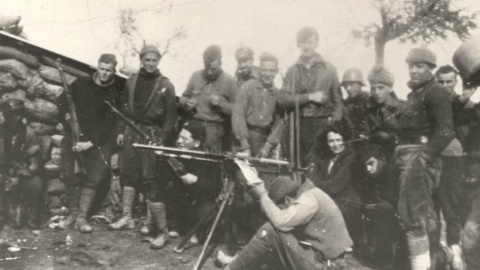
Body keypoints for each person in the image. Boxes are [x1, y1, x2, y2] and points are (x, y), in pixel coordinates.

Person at [109, 45, 177, 250]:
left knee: (151, 179)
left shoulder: (166, 85)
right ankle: (127, 216)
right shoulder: (132, 81)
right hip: (131, 132)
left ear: (158, 62)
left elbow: (170, 117)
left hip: (151, 134)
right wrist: (121, 131)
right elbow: (124, 109)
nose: (150, 63)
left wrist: (161, 140)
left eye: (154, 60)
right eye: (147, 60)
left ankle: (155, 226)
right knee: (128, 174)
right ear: (141, 60)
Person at [219, 168, 353, 270]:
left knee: (271, 230)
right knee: (274, 238)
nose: (282, 209)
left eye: (281, 206)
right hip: (326, 260)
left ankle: (231, 268)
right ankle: (235, 262)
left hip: (328, 265)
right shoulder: (310, 194)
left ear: (288, 199)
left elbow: (280, 222)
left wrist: (263, 195)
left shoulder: (309, 200)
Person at [395, 48, 455, 270]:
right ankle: (440, 258)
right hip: (407, 156)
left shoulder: (435, 92)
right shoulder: (415, 94)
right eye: (411, 65)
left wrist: (423, 159)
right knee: (422, 214)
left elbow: (446, 131)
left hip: (420, 158)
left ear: (431, 69)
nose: (413, 70)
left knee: (412, 216)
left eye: (419, 66)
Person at [57, 54, 120, 233]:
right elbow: (62, 101)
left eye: (109, 70)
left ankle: (82, 218)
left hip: (98, 141)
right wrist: (66, 115)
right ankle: (73, 213)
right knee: (71, 175)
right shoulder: (81, 83)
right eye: (102, 69)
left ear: (114, 71)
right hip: (75, 135)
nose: (104, 73)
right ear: (96, 68)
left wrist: (91, 143)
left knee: (92, 178)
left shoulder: (113, 93)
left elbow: (110, 124)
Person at [276, 26, 343, 167]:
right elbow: (282, 99)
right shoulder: (293, 71)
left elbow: (338, 101)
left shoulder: (329, 69)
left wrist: (333, 126)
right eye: (302, 42)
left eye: (310, 42)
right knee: (296, 166)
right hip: (298, 125)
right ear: (298, 44)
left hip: (321, 124)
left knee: (318, 165)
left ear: (316, 43)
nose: (306, 46)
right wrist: (309, 97)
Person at [434, 65, 470, 268]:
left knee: (452, 206)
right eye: (441, 82)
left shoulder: (465, 104)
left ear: (456, 82)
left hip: (455, 160)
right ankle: (439, 251)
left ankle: (456, 251)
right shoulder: (432, 103)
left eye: (449, 81)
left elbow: (466, 135)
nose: (446, 86)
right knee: (433, 206)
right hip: (434, 158)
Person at [164, 121, 222, 244]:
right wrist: (160, 158)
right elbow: (164, 177)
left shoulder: (209, 159)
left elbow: (216, 187)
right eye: (179, 137)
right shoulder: (176, 154)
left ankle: (196, 230)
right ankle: (176, 225)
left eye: (184, 139)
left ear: (196, 143)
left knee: (207, 210)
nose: (179, 141)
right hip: (182, 200)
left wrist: (197, 180)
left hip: (200, 201)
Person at [308, 124, 363, 248]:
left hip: (346, 201)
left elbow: (335, 185)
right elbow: (312, 179)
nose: (335, 144)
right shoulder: (325, 158)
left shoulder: (351, 157)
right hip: (328, 197)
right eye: (331, 141)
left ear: (345, 140)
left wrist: (317, 186)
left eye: (338, 140)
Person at [180, 45, 238, 152]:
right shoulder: (196, 75)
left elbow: (236, 110)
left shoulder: (230, 81)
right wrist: (187, 103)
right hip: (194, 128)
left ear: (221, 64)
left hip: (214, 132)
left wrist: (220, 103)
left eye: (213, 69)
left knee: (210, 165)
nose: (209, 72)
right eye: (207, 68)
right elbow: (184, 97)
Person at [0, 99, 43, 228]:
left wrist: (17, 179)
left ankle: (29, 215)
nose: (14, 118)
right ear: (4, 115)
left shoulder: (29, 134)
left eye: (17, 114)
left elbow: (35, 165)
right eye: (10, 114)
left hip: (20, 173)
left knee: (35, 183)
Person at [357, 144, 399, 268]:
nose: (368, 169)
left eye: (371, 163)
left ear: (382, 160)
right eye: (365, 166)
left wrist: (390, 206)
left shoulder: (394, 175)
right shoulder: (370, 177)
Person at [360, 65, 405, 155]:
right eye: (373, 88)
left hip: (397, 154)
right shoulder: (367, 107)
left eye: (381, 88)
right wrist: (364, 137)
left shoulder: (402, 107)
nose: (376, 92)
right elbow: (364, 132)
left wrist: (389, 138)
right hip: (374, 154)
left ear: (390, 88)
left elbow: (407, 137)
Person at [342, 68, 369, 139]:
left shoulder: (370, 101)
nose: (347, 88)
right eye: (345, 85)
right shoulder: (345, 104)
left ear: (360, 84)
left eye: (351, 84)